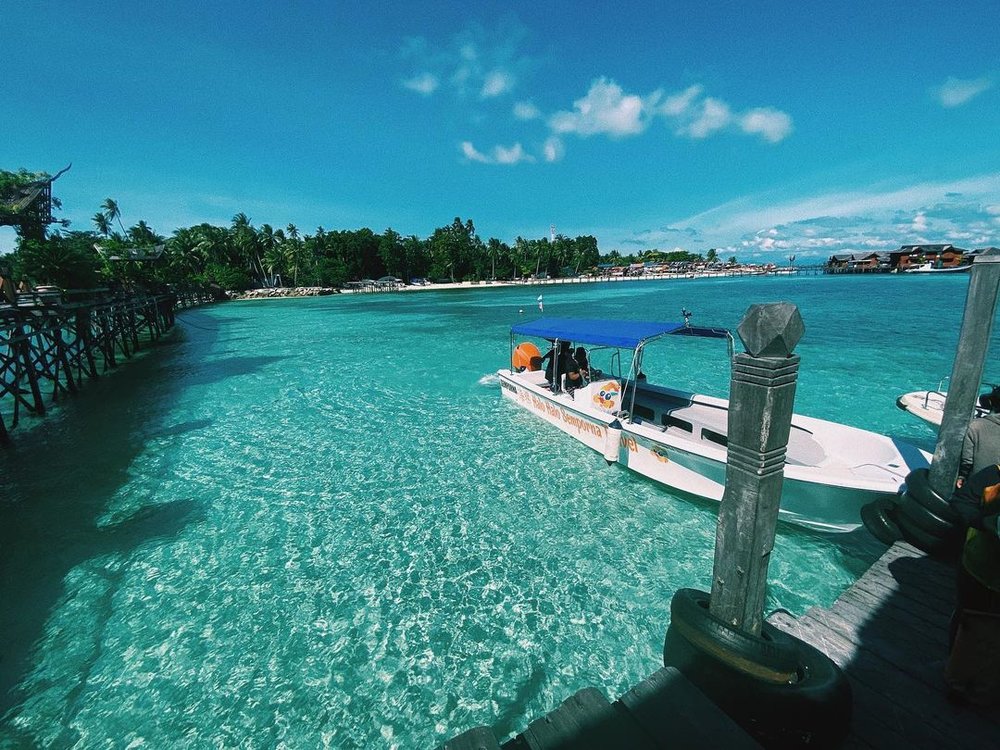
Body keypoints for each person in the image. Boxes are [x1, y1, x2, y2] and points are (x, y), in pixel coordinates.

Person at [946, 463, 1000, 703]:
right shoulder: (993, 474)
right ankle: (955, 680)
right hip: (977, 568)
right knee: (965, 624)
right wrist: (983, 522)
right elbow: (960, 502)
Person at [958, 389, 1000, 487]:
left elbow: (967, 461)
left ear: (990, 402)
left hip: (978, 488)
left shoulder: (976, 426)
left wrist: (962, 477)